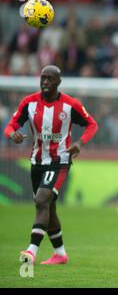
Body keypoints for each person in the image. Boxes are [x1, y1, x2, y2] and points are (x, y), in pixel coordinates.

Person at [4, 65, 98, 265]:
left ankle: (31, 251)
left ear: (58, 82)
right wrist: (13, 134)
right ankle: (60, 254)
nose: (45, 82)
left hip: (59, 161)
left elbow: (92, 124)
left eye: (50, 79)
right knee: (48, 207)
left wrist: (80, 143)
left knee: (41, 200)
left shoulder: (70, 105)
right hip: (37, 161)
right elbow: (10, 126)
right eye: (43, 78)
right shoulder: (28, 103)